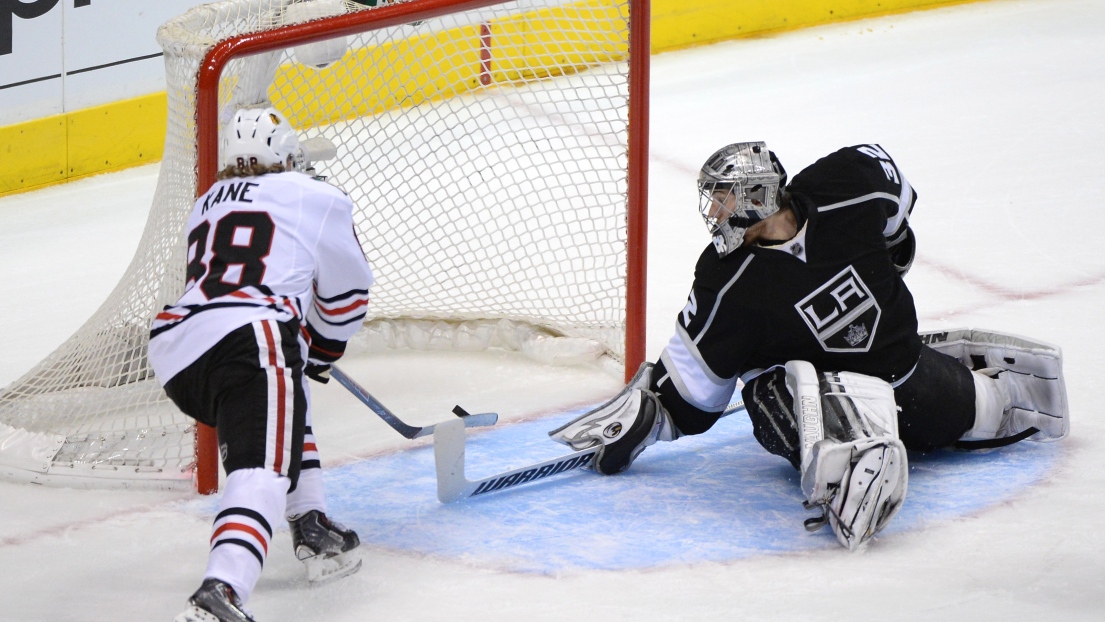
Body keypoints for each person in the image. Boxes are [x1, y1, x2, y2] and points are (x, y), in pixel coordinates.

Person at [551, 142, 1069, 550]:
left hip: (909, 377)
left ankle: (959, 407)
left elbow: (896, 209)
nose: (712, 209)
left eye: (723, 195)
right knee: (776, 389)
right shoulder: (724, 280)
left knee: (993, 410)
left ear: (756, 196)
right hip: (816, 406)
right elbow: (692, 393)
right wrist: (644, 418)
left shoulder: (845, 186)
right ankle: (848, 460)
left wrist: (892, 246)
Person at [148, 107, 375, 622]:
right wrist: (324, 350)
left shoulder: (205, 202)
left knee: (286, 387)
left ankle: (310, 520)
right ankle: (222, 590)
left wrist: (302, 355)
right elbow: (347, 297)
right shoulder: (319, 197)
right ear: (291, 155)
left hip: (177, 347)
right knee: (261, 468)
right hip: (248, 337)